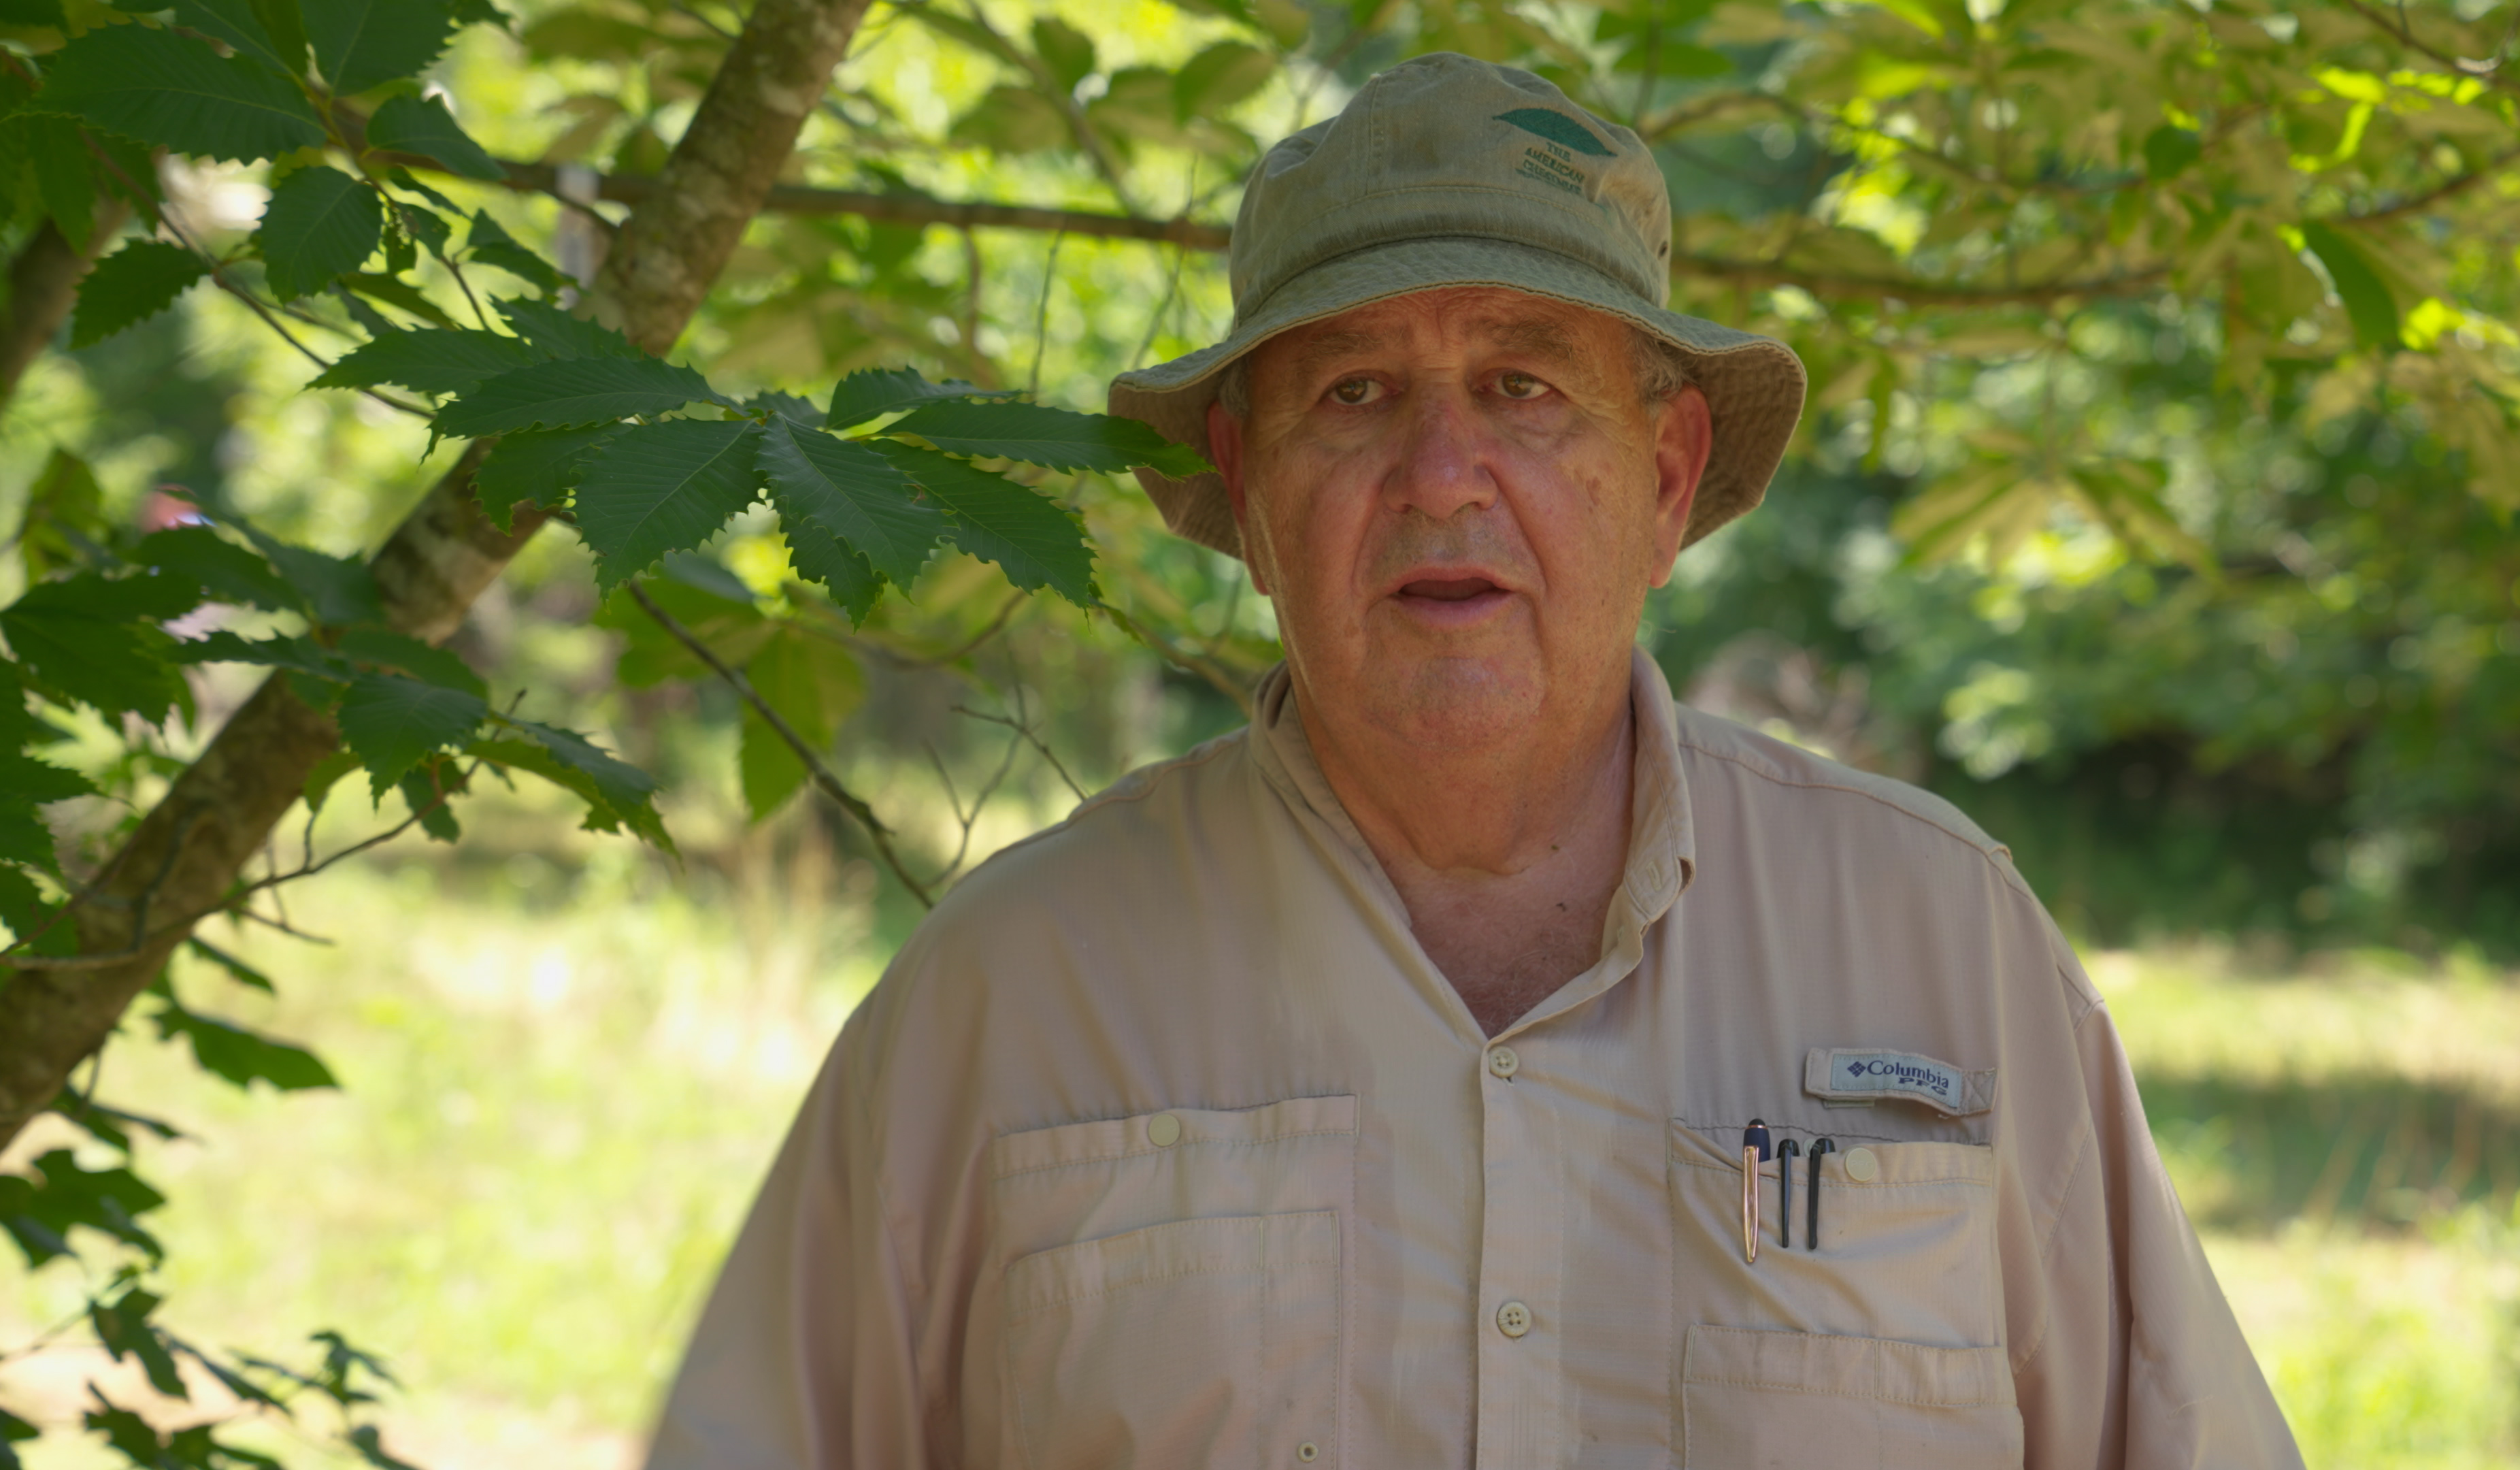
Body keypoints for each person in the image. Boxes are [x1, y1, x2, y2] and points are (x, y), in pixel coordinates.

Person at [643, 52, 2302, 1469]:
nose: (1444, 474)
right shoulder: (1008, 997)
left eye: (1524, 386)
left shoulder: (1949, 951)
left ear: (1665, 478)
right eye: (1354, 393)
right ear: (1248, 490)